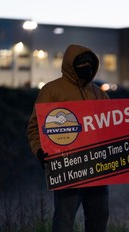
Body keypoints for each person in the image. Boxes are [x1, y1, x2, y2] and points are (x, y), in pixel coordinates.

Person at [27, 44, 109, 232]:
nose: (87, 67)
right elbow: (34, 128)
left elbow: (113, 126)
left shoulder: (100, 93)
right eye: (82, 63)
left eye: (90, 63)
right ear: (71, 65)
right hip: (67, 168)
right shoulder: (52, 91)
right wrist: (39, 150)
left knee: (99, 218)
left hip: (98, 168)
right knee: (64, 221)